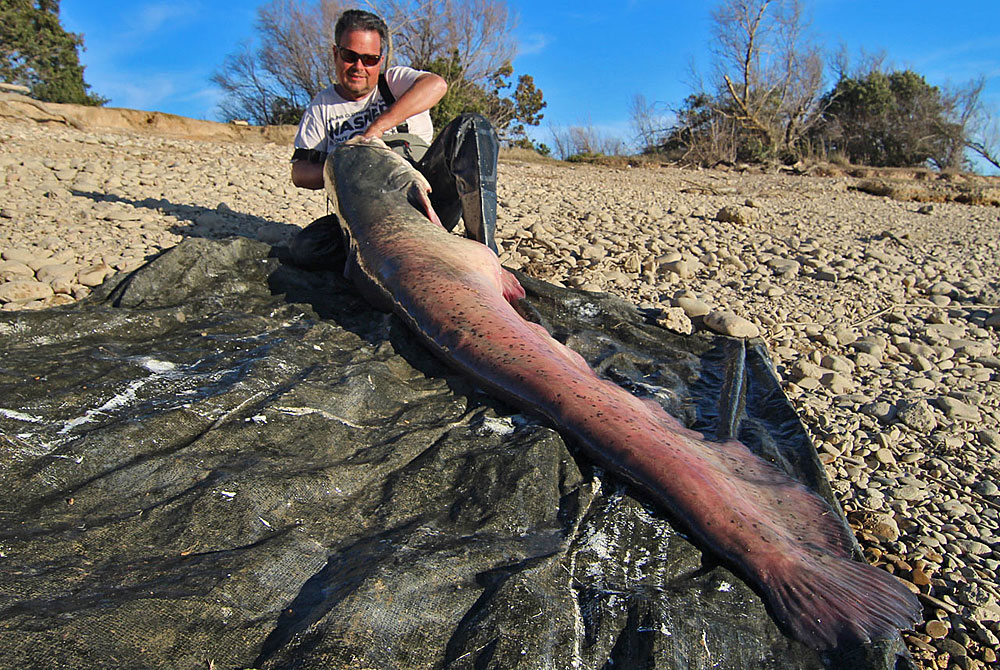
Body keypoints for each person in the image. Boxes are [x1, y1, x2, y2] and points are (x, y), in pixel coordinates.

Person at [289, 9, 500, 271]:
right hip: (366, 217)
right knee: (306, 248)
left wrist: (375, 130)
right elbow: (299, 172)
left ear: (382, 59)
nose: (359, 67)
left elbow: (437, 85)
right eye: (349, 56)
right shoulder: (321, 106)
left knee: (472, 127)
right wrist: (346, 162)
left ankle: (484, 251)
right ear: (335, 53)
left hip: (426, 203)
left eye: (370, 59)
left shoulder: (394, 83)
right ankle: (384, 266)